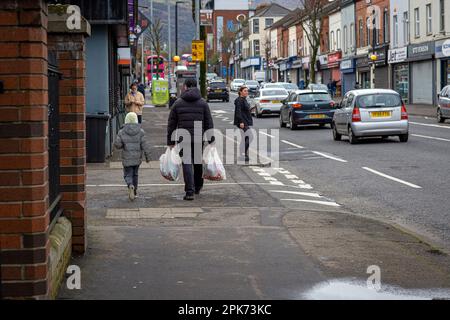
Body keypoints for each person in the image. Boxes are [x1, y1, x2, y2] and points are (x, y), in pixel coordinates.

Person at [167, 79, 214, 201]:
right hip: (199, 136)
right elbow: (209, 122)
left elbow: (171, 124)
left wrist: (170, 141)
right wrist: (211, 140)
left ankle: (189, 191)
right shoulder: (203, 103)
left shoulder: (178, 103)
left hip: (184, 138)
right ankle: (198, 186)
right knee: (198, 162)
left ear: (186, 87)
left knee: (187, 163)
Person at [114, 112, 151, 201]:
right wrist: (147, 157)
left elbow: (117, 145)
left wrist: (122, 143)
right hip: (137, 158)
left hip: (127, 158)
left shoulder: (122, 132)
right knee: (135, 174)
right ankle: (135, 191)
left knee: (127, 174)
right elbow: (145, 145)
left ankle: (130, 185)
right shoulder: (141, 131)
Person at [234, 86, 253, 163]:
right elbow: (238, 112)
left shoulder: (244, 100)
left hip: (245, 121)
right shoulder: (239, 100)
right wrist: (241, 122)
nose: (246, 92)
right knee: (249, 137)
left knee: (245, 138)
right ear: (240, 92)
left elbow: (244, 110)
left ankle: (243, 155)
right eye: (245, 91)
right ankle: (243, 154)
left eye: (247, 91)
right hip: (242, 122)